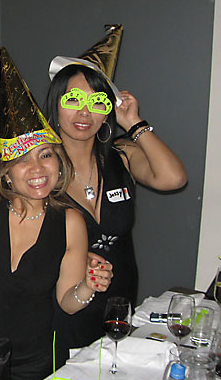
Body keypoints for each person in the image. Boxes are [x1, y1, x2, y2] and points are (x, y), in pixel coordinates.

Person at [0, 47, 111, 380]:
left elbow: (67, 303)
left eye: (46, 155)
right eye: (22, 160)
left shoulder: (70, 222)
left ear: (59, 162)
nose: (37, 169)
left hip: (34, 365)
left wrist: (88, 287)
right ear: (6, 170)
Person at [43, 55, 187, 356]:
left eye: (97, 102)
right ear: (56, 104)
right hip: (62, 305)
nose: (85, 112)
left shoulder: (122, 155)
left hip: (118, 303)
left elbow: (173, 178)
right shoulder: (38, 168)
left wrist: (134, 123)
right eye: (73, 100)